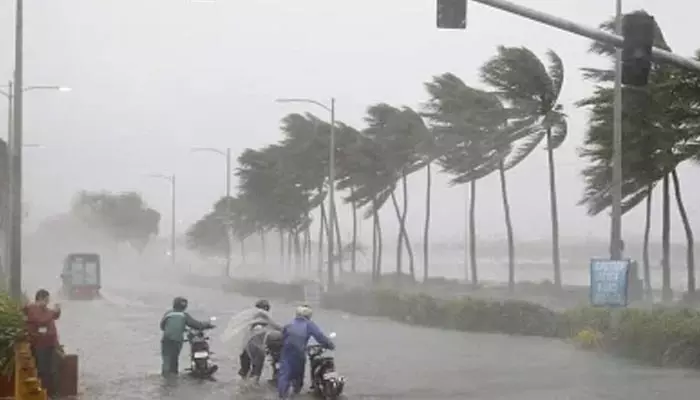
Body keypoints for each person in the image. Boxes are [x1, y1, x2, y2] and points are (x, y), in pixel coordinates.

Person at [277, 305, 334, 399]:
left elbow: (282, 337)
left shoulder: (289, 324)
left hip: (286, 352)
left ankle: (282, 397)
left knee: (284, 375)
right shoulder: (309, 324)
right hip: (299, 352)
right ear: (309, 315)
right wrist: (330, 345)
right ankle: (295, 394)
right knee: (298, 375)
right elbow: (320, 337)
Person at [160, 296, 214, 377]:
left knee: (166, 359)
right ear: (185, 306)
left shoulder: (168, 314)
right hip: (177, 340)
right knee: (174, 359)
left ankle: (165, 376)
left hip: (166, 339)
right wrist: (207, 325)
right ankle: (173, 377)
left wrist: (180, 328)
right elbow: (196, 325)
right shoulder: (184, 315)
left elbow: (162, 326)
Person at [23, 289, 61, 398]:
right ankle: (45, 393)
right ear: (40, 298)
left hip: (49, 343)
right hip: (40, 344)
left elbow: (53, 315)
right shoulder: (33, 309)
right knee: (44, 370)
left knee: (52, 369)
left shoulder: (44, 309)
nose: (48, 302)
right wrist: (53, 313)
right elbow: (41, 320)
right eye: (46, 299)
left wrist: (57, 311)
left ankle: (51, 393)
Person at [238, 299, 283, 383]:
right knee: (256, 371)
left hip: (246, 346)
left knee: (245, 371)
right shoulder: (263, 317)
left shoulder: (251, 317)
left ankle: (243, 388)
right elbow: (276, 326)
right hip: (256, 348)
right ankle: (252, 388)